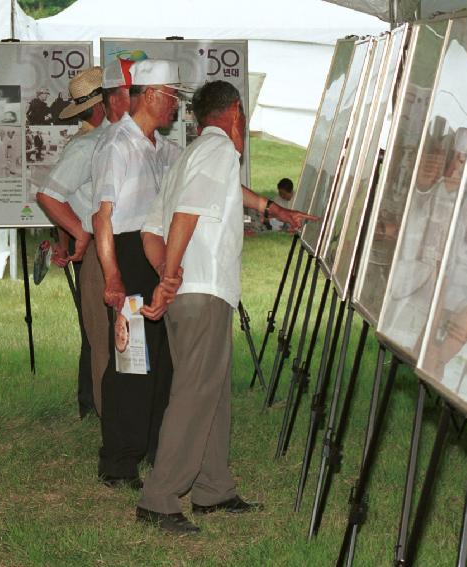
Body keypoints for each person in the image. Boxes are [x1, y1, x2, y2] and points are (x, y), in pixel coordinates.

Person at [136, 80, 316, 533]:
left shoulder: (190, 158)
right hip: (202, 291)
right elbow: (184, 217)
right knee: (195, 394)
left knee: (210, 391)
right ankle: (159, 497)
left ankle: (212, 488)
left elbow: (150, 229)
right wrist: (171, 278)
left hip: (189, 293)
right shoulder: (218, 153)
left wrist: (167, 276)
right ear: (236, 111)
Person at [90, 58, 183, 489]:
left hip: (153, 253)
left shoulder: (160, 147)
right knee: (131, 361)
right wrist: (112, 276)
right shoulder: (117, 145)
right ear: (150, 95)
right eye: (172, 98)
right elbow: (102, 217)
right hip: (127, 254)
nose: (176, 108)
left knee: (158, 360)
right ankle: (118, 462)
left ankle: (148, 446)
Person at [36, 66, 117, 420]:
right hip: (101, 249)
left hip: (103, 247)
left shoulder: (97, 140)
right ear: (103, 105)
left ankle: (96, 404)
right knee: (101, 336)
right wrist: (79, 235)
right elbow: (51, 196)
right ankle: (102, 408)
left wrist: (67, 240)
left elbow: (70, 200)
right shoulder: (88, 145)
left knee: (99, 334)